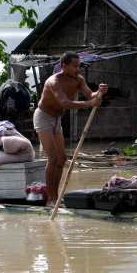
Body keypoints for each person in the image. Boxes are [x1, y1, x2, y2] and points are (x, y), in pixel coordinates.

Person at [34, 51, 108, 207]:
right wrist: (89, 104)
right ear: (64, 66)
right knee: (52, 157)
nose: (77, 69)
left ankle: (56, 195)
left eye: (78, 66)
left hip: (56, 119)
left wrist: (99, 92)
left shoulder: (79, 80)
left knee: (62, 158)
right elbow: (64, 103)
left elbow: (90, 94)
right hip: (43, 117)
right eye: (74, 67)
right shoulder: (54, 81)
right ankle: (51, 199)